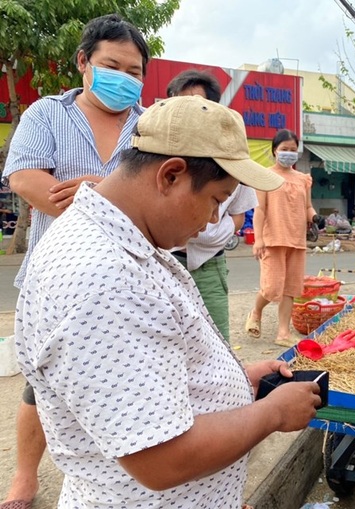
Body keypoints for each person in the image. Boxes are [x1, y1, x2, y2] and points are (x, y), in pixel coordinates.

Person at [13, 95, 322, 508]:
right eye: (215, 199)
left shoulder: (126, 240)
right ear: (171, 175)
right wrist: (274, 414)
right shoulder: (103, 278)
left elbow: (143, 375)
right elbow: (160, 459)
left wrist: (234, 382)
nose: (214, 219)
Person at [1, 14, 148, 509]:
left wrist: (90, 188)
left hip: (134, 279)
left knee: (125, 379)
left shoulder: (148, 124)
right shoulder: (46, 114)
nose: (124, 79)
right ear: (83, 61)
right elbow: (26, 178)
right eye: (112, 65)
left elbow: (158, 193)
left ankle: (111, 474)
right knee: (41, 386)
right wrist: (112, 197)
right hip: (57, 280)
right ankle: (24, 477)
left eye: (134, 71)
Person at [166, 69, 257, 341]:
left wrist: (211, 232)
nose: (185, 114)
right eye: (177, 105)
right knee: (169, 341)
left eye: (195, 106)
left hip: (209, 265)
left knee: (216, 342)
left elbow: (240, 214)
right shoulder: (155, 153)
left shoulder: (232, 155)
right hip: (166, 261)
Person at [245, 129, 318, 347]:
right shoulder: (265, 176)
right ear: (274, 151)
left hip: (297, 240)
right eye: (284, 149)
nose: (288, 153)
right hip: (273, 239)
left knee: (290, 289)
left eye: (293, 150)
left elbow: (307, 207)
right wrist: (258, 239)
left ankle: (283, 333)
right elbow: (260, 210)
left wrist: (315, 218)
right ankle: (256, 311)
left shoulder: (303, 180)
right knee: (272, 287)